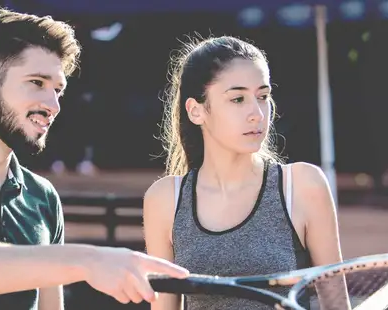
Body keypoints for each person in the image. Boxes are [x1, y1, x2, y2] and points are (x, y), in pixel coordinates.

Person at [0, 7, 188, 310]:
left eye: (58, 90)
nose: (53, 104)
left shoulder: (42, 197)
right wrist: (89, 259)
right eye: (36, 82)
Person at [143, 35, 349, 309]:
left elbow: (336, 304)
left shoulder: (301, 185)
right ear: (196, 111)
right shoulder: (164, 199)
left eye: (263, 97)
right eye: (238, 99)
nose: (257, 114)